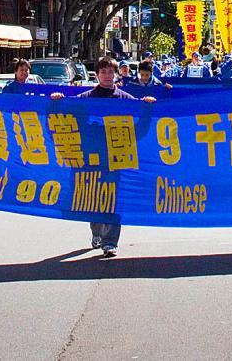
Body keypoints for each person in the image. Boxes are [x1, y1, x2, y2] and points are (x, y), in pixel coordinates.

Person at [53, 56, 155, 258]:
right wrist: (57, 102)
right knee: (93, 197)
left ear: (117, 75)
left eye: (111, 72)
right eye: (103, 72)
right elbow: (64, 115)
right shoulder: (85, 99)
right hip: (90, 158)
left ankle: (110, 242)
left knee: (113, 198)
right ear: (97, 75)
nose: (107, 76)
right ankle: (97, 232)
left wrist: (147, 109)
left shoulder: (126, 100)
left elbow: (139, 130)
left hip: (115, 157)